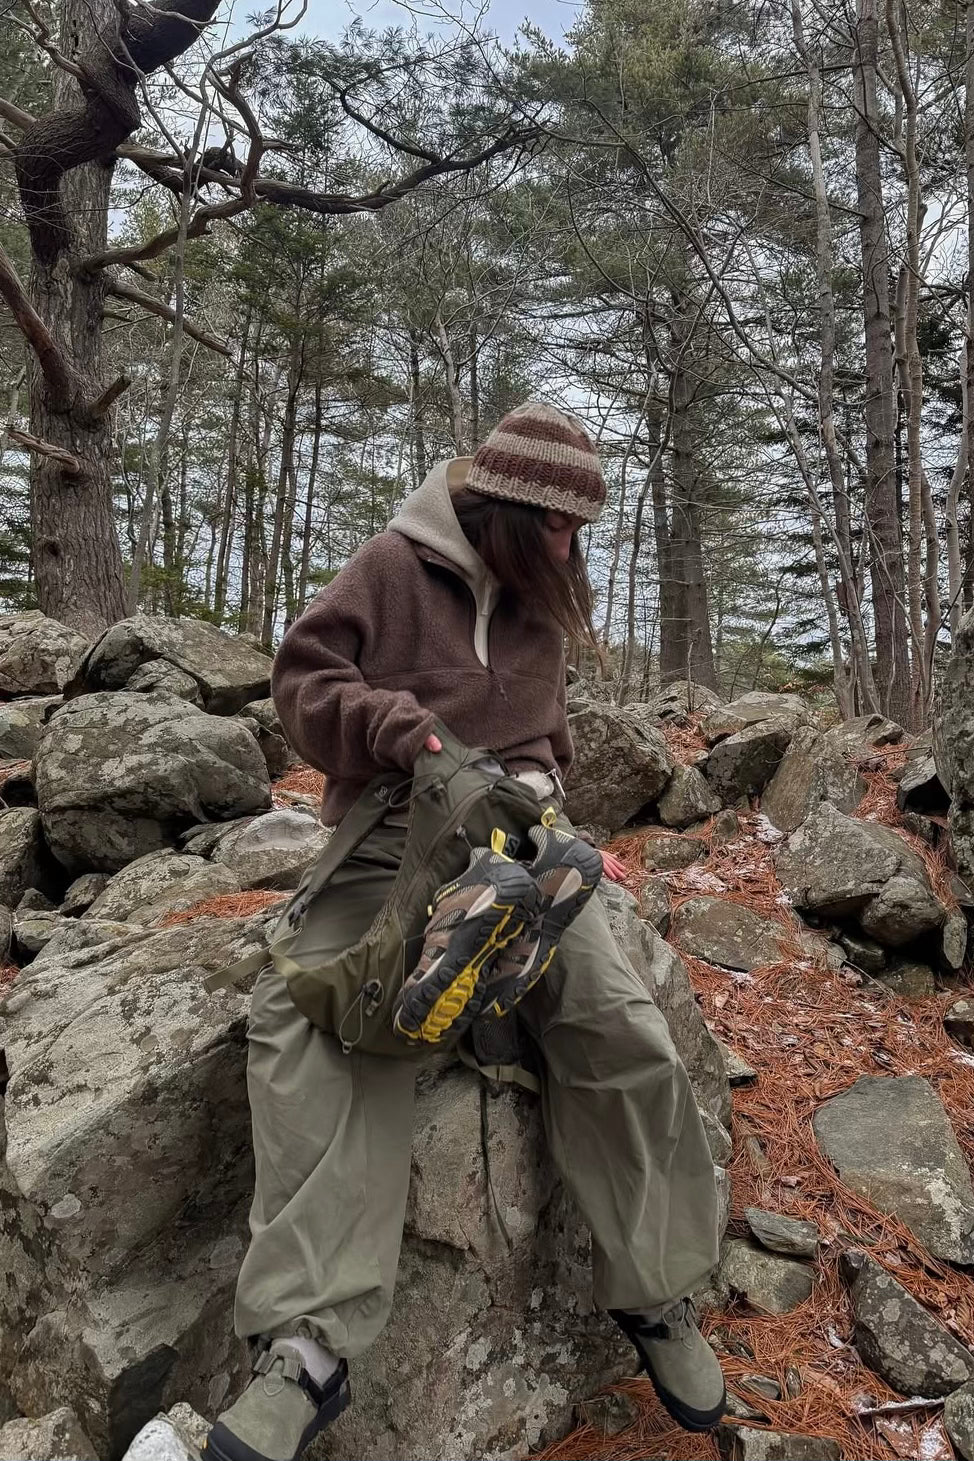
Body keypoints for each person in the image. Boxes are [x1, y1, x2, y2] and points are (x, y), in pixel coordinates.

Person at [205, 402, 724, 1461]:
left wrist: (546, 807)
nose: (572, 555)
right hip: (394, 837)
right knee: (322, 1017)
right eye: (562, 533)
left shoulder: (537, 603)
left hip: (516, 842)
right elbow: (303, 687)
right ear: (507, 513)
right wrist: (395, 728)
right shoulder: (392, 566)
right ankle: (308, 1346)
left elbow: (549, 740)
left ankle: (658, 1292)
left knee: (622, 1027)